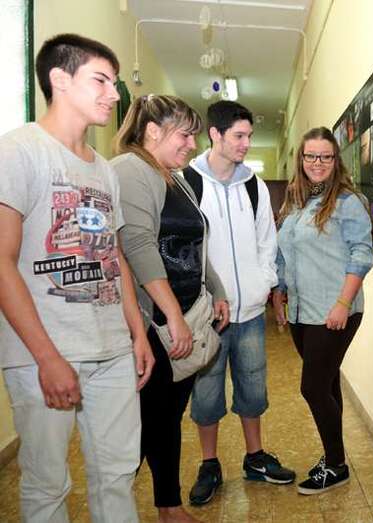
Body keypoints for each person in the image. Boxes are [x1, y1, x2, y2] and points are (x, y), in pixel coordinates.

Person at [0, 34, 154, 522]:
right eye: (101, 81)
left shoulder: (104, 170)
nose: (113, 94)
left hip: (112, 349)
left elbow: (114, 258)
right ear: (60, 80)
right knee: (47, 483)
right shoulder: (18, 151)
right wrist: (47, 358)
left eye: (115, 83)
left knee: (117, 474)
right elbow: (2, 261)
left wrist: (136, 334)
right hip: (45, 350)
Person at [112, 94, 230, 522]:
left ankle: (168, 506)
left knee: (166, 417)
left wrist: (216, 289)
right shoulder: (130, 170)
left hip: (184, 314)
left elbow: (196, 242)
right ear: (152, 131)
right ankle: (115, 505)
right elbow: (138, 247)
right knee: (147, 422)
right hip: (154, 323)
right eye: (185, 135)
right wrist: (173, 317)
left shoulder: (176, 178)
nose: (192, 144)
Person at [183, 101, 295, 506]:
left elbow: (267, 240)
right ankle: (209, 464)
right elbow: (183, 247)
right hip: (207, 316)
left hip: (249, 313)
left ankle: (255, 457)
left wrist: (263, 285)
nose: (246, 143)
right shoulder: (186, 182)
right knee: (206, 393)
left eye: (249, 135)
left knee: (253, 388)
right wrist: (201, 297)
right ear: (215, 134)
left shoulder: (254, 185)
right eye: (239, 136)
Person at [273, 127, 373, 495]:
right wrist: (279, 294)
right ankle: (334, 456)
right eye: (311, 156)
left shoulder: (349, 202)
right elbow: (284, 254)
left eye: (326, 157)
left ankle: (336, 465)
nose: (318, 163)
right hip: (302, 311)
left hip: (335, 311)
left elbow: (362, 254)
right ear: (301, 159)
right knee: (328, 383)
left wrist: (343, 304)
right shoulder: (296, 202)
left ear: (336, 160)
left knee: (313, 387)